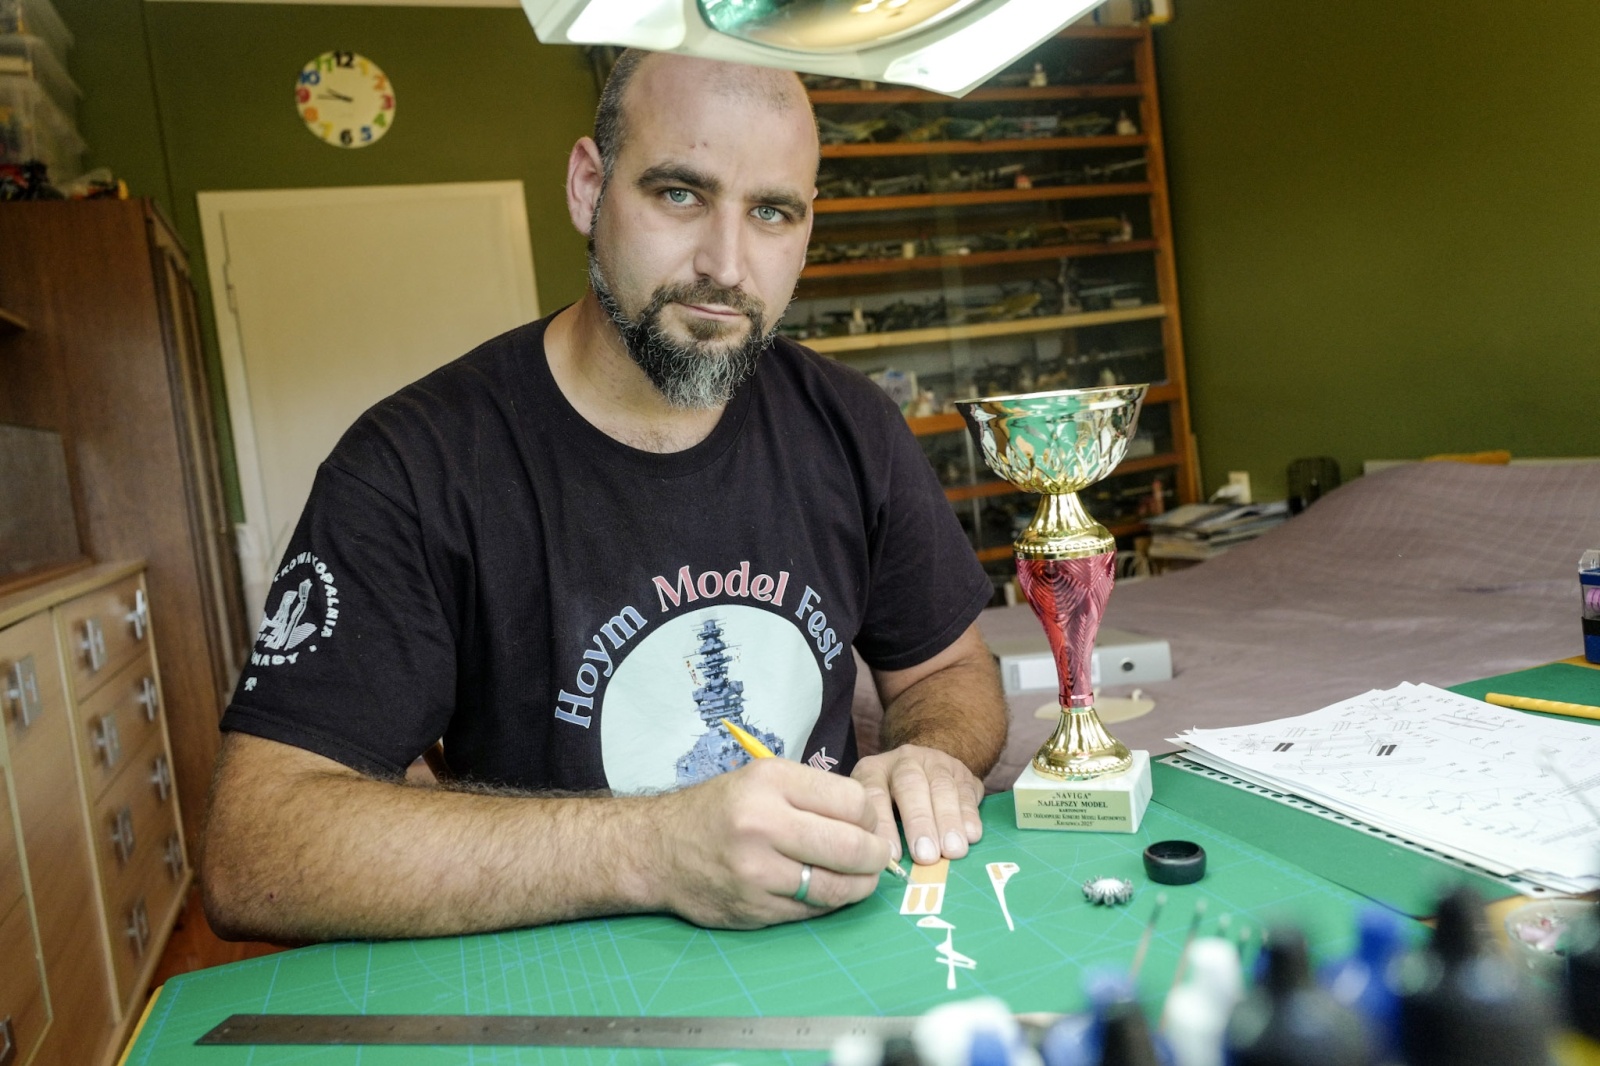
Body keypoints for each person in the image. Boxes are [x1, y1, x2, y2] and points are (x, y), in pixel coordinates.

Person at [201, 48, 1008, 943]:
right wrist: (655, 850)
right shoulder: (412, 466)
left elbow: (947, 671)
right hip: (561, 982)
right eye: (680, 194)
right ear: (589, 188)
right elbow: (255, 850)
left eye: (772, 212)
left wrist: (928, 758)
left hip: (830, 942)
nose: (726, 266)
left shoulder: (850, 424)